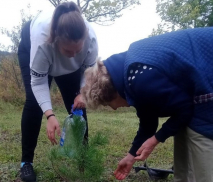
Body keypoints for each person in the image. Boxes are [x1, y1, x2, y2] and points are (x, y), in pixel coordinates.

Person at [80, 27, 213, 182]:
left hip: (207, 77)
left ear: (112, 92)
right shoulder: (129, 72)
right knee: (183, 145)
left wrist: (156, 139)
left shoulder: (141, 79)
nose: (114, 108)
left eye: (108, 104)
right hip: (195, 88)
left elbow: (185, 108)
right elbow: (148, 119)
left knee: (201, 152)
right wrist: (131, 156)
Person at [17, 2, 98, 182]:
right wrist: (50, 115)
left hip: (68, 64)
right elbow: (38, 82)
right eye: (68, 50)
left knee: (77, 105)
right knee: (34, 102)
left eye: (77, 51)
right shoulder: (42, 41)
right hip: (30, 46)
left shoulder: (90, 38)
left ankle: (83, 159)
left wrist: (83, 93)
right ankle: (26, 164)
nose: (73, 54)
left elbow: (90, 70)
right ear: (56, 40)